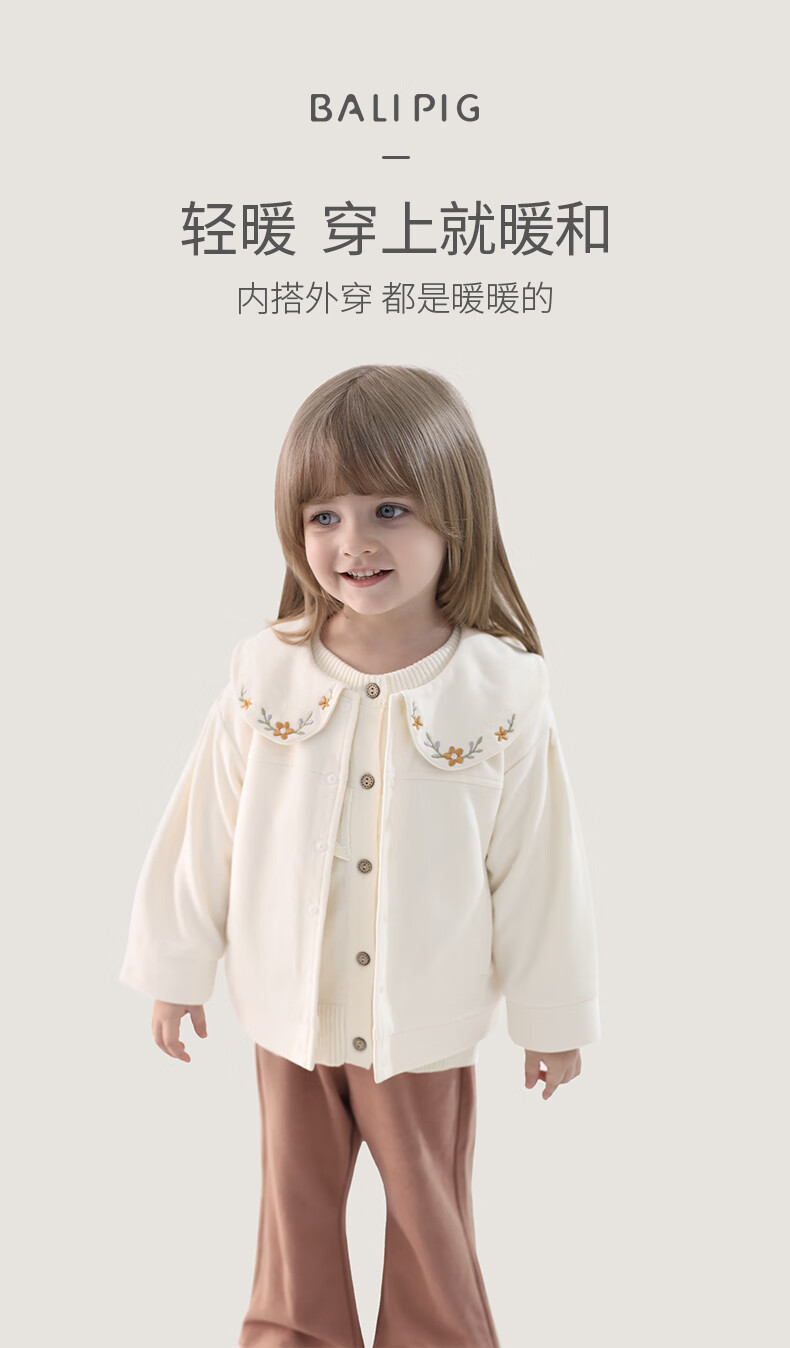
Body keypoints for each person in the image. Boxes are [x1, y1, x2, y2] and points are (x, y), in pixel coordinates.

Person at [119, 364, 602, 1348]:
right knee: (292, 1218)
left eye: (389, 509)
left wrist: (550, 1018)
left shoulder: (498, 689)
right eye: (324, 516)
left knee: (430, 1221)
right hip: (286, 1013)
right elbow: (206, 826)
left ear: (454, 514)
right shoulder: (266, 671)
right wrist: (175, 970)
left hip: (419, 1023)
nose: (354, 542)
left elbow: (540, 869)